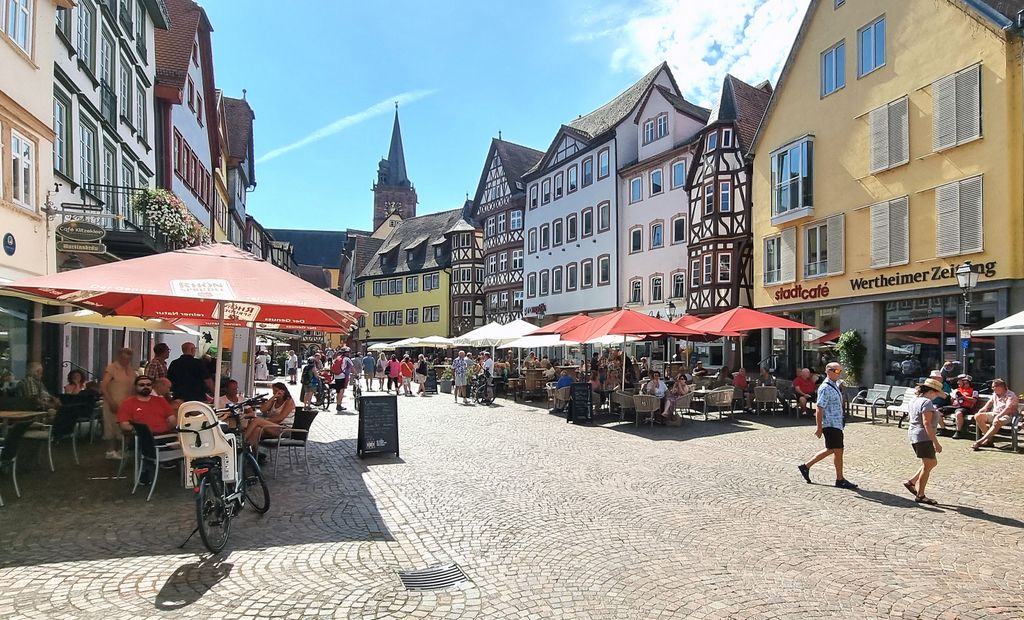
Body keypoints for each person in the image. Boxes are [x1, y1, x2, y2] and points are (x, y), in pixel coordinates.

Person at [797, 362, 857, 489]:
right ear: (829, 371)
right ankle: (839, 479)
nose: (839, 374)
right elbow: (819, 407)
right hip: (830, 424)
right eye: (837, 371)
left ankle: (806, 466)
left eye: (840, 371)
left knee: (832, 449)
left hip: (836, 423)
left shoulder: (833, 385)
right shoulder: (825, 387)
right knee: (838, 450)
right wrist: (819, 427)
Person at [117, 375, 176, 484]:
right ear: (135, 387)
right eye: (142, 385)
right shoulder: (128, 403)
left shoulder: (160, 401)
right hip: (142, 437)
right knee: (145, 439)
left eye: (148, 385)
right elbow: (124, 424)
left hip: (164, 434)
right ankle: (146, 470)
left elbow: (172, 419)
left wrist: (169, 427)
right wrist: (139, 431)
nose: (145, 387)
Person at [903, 377, 946, 505]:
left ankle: (912, 482)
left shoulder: (914, 400)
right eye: (937, 393)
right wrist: (935, 442)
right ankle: (920, 495)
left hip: (914, 434)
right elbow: (927, 423)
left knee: (929, 463)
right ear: (932, 391)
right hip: (923, 436)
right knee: (930, 463)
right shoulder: (926, 402)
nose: (937, 396)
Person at [100, 348, 137, 460]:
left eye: (130, 357)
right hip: (114, 401)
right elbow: (103, 385)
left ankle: (122, 449)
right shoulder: (112, 368)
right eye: (125, 356)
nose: (127, 359)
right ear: (120, 356)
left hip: (127, 403)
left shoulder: (130, 370)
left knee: (125, 426)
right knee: (111, 425)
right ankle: (111, 450)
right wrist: (110, 401)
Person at [245, 382, 296, 454]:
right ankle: (253, 454)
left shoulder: (289, 401)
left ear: (283, 391)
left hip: (284, 428)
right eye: (274, 391)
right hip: (272, 426)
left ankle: (243, 441)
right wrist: (273, 398)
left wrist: (264, 421)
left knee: (257, 421)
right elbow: (263, 409)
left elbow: (280, 418)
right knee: (257, 430)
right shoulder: (274, 401)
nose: (275, 393)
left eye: (277, 391)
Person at [971, 378, 1020, 451]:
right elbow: (990, 402)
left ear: (1000, 387)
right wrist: (983, 409)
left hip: (1007, 416)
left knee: (997, 421)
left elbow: (1008, 409)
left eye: (994, 387)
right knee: (978, 416)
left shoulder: (1011, 395)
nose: (992, 388)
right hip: (994, 413)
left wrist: (998, 416)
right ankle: (989, 441)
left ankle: (980, 441)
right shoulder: (995, 394)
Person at [949, 374, 979, 439]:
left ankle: (958, 432)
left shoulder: (974, 390)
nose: (958, 382)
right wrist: (952, 397)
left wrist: (963, 397)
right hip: (955, 407)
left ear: (966, 382)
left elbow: (974, 400)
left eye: (959, 381)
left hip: (965, 408)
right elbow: (952, 400)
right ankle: (943, 430)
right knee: (939, 411)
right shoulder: (958, 389)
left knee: (958, 413)